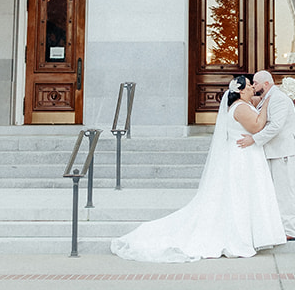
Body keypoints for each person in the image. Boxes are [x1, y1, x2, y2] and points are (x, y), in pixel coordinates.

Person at [110, 76, 286, 262]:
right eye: (250, 86)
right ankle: (239, 237)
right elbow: (257, 126)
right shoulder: (240, 108)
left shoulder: (243, 104)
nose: (252, 89)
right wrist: (267, 103)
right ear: (241, 91)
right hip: (242, 157)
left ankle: (251, 234)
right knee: (239, 195)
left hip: (247, 154)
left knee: (245, 195)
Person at [237, 71, 295, 241]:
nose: (253, 86)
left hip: (284, 152)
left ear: (266, 84)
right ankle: (277, 227)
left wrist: (254, 139)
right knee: (274, 192)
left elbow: (276, 127)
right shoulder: (267, 97)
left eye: (255, 83)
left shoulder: (279, 98)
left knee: (284, 192)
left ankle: (289, 230)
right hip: (274, 151)